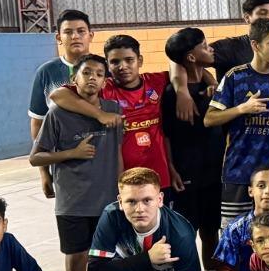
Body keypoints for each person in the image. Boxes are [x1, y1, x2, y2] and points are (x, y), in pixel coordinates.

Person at [30, 54, 121, 271]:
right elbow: (36, 157)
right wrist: (71, 153)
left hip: (106, 201)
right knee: (75, 264)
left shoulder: (113, 110)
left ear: (105, 81)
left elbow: (118, 152)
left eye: (99, 73)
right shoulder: (58, 114)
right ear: (75, 79)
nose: (92, 78)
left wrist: (121, 189)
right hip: (72, 203)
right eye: (86, 73)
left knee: (99, 263)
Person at [51, 34, 179, 195]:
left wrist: (188, 90)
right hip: (123, 180)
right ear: (108, 66)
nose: (122, 66)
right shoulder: (104, 88)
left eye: (129, 60)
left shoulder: (156, 81)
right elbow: (57, 95)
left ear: (140, 61)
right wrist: (99, 114)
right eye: (115, 62)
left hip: (160, 176)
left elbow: (181, 65)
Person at [206, 16, 269, 222]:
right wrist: (242, 109)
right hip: (240, 171)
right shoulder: (235, 77)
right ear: (255, 45)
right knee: (234, 234)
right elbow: (210, 119)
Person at [162, 28, 226, 271]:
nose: (211, 49)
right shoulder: (173, 93)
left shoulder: (215, 87)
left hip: (215, 171)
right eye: (205, 46)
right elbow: (166, 135)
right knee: (185, 236)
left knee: (211, 232)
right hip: (186, 173)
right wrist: (171, 168)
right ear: (190, 57)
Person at [28, 9, 95, 198]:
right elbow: (38, 123)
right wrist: (43, 172)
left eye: (81, 31)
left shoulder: (104, 69)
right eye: (68, 32)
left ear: (90, 35)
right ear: (59, 37)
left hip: (105, 165)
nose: (75, 36)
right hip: (66, 170)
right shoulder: (46, 73)